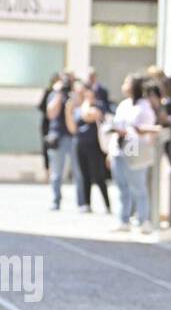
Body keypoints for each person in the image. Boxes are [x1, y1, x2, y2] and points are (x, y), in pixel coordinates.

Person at [108, 74, 160, 234]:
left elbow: (145, 128)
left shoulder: (144, 107)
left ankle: (143, 220)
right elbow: (117, 126)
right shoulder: (123, 105)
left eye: (127, 83)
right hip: (119, 149)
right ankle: (124, 219)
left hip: (135, 149)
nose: (124, 86)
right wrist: (110, 152)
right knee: (122, 186)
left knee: (138, 186)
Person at [44, 72, 86, 212]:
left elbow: (80, 110)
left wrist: (73, 97)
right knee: (57, 172)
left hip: (73, 137)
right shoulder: (54, 94)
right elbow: (51, 114)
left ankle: (81, 203)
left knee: (78, 172)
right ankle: (55, 200)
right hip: (57, 136)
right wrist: (58, 94)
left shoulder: (75, 95)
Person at [70, 81, 112, 213]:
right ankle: (86, 204)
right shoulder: (77, 108)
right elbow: (72, 128)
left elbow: (89, 116)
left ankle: (107, 205)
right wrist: (68, 110)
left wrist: (85, 102)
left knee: (99, 177)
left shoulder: (98, 105)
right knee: (84, 175)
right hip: (81, 145)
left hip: (95, 145)